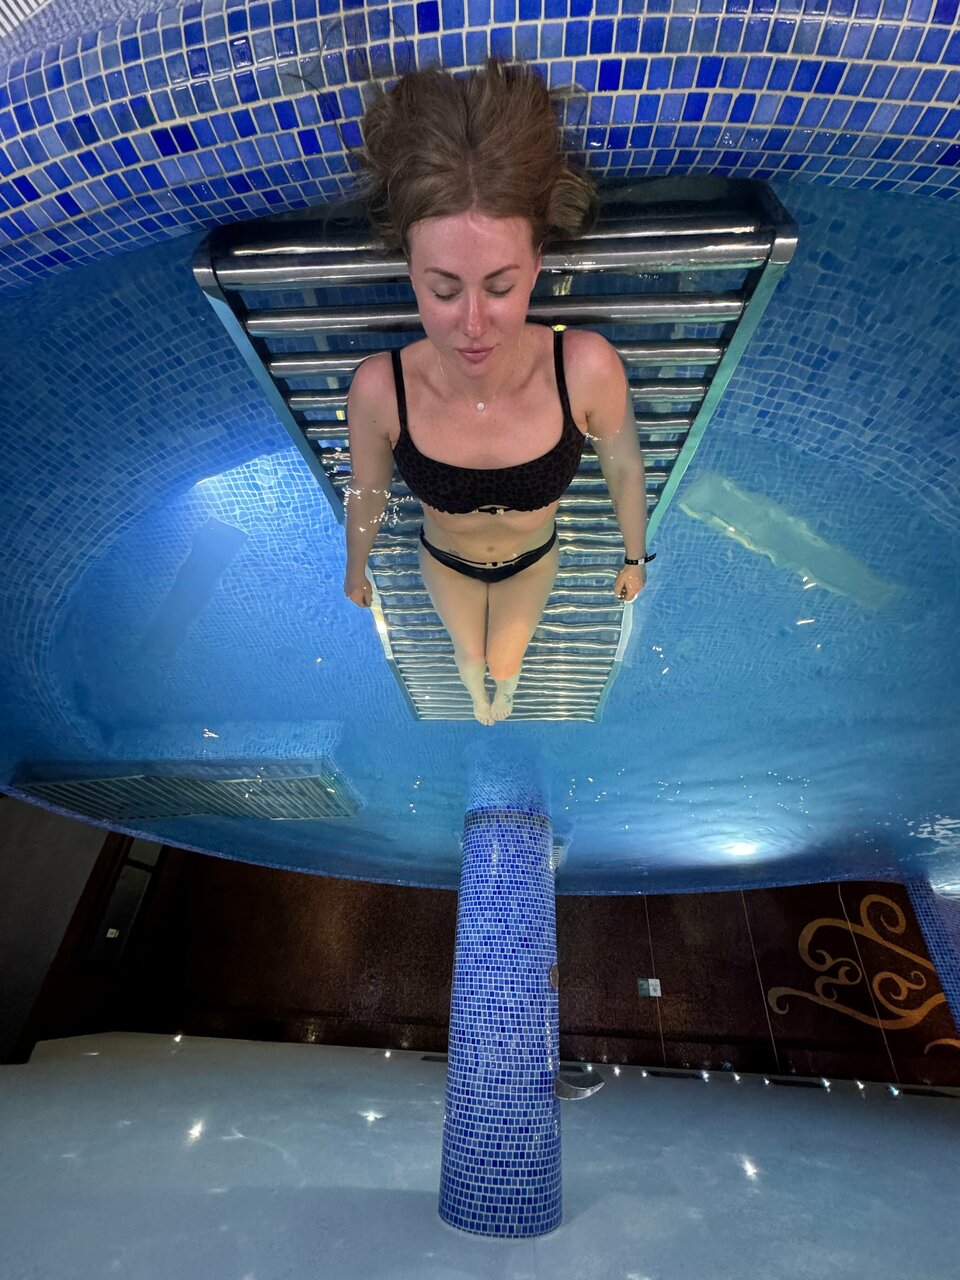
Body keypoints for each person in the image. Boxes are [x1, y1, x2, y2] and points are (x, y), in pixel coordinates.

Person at [343, 58, 651, 724]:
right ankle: (477, 693)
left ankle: (502, 692)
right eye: (444, 290)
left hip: (532, 558)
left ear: (537, 265)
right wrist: (355, 565)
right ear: (411, 272)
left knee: (505, 664)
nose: (474, 325)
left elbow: (625, 465)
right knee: (467, 657)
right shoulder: (381, 390)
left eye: (501, 287)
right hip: (445, 558)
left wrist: (635, 556)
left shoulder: (586, 369)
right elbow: (367, 490)